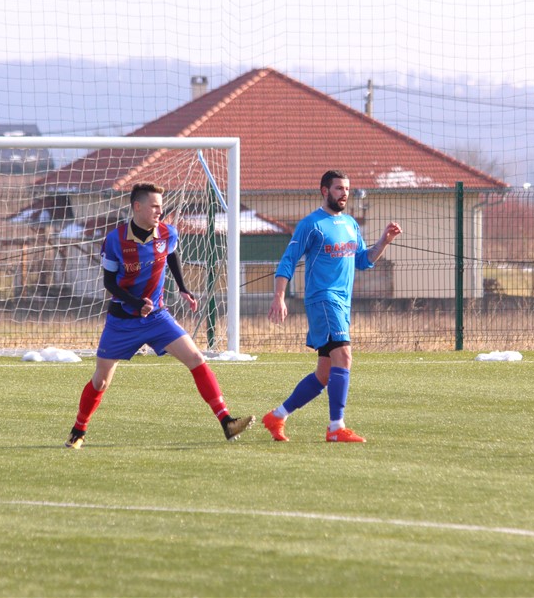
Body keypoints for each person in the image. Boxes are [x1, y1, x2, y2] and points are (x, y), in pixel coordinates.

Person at [65, 183, 253, 448]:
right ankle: (78, 431)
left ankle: (227, 421)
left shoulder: (167, 232)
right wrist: (135, 302)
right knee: (101, 380)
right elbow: (109, 283)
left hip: (157, 317)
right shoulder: (115, 240)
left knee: (196, 358)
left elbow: (171, 255)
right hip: (122, 321)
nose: (160, 211)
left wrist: (183, 288)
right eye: (154, 206)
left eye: (161, 206)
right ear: (137, 207)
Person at [263, 170, 402, 443]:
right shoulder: (311, 224)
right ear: (325, 191)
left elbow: (363, 260)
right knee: (345, 356)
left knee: (325, 373)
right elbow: (288, 260)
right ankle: (336, 427)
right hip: (323, 299)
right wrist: (279, 296)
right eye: (339, 188)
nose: (344, 193)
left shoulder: (350, 224)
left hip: (342, 302)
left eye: (347, 189)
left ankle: (277, 416)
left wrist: (384, 241)